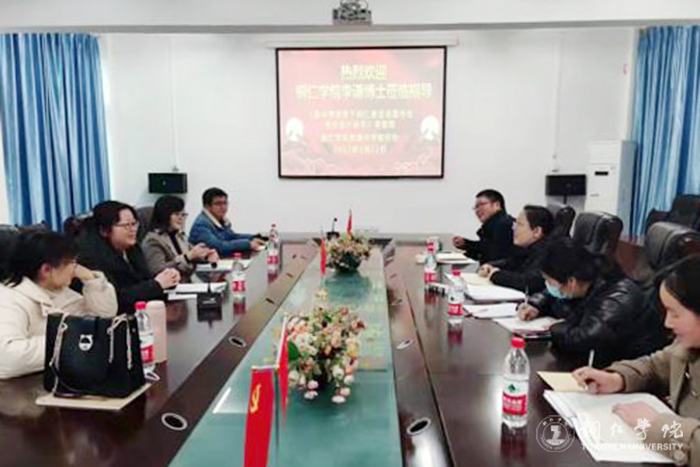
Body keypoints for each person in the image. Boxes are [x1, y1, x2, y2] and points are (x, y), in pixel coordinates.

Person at [573, 256, 700, 466]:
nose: (667, 323)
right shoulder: (688, 344)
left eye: (675, 314)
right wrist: (617, 379)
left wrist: (654, 425)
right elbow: (655, 365)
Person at [517, 238, 665, 367]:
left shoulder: (617, 295)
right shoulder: (586, 280)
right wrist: (536, 305)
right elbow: (552, 294)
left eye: (549, 281)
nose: (548, 286)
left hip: (629, 370)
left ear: (571, 282)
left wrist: (555, 328)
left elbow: (585, 338)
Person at [0, 231, 118, 379]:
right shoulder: (9, 298)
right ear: (46, 270)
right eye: (72, 262)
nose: (75, 268)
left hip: (57, 375)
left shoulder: (57, 290)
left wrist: (91, 280)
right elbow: (8, 358)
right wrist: (72, 339)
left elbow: (104, 318)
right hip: (18, 387)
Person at [77, 201, 181, 312]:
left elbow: (144, 280)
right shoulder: (92, 258)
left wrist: (167, 280)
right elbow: (117, 297)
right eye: (126, 225)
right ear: (104, 231)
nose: (133, 229)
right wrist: (156, 285)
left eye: (134, 224)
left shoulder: (132, 249)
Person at [477, 205, 554, 293]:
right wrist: (490, 266)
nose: (513, 228)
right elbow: (511, 262)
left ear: (536, 231)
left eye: (519, 224)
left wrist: (496, 275)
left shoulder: (548, 253)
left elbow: (529, 282)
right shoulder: (527, 250)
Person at [142, 195, 219, 275]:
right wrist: (187, 257)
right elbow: (157, 270)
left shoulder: (179, 235)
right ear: (165, 215)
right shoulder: (153, 240)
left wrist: (206, 256)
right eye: (176, 214)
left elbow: (193, 254)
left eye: (183, 215)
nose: (181, 218)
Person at [189, 187, 266, 256]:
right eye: (218, 204)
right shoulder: (201, 224)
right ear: (207, 206)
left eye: (225, 203)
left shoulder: (220, 219)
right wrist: (247, 244)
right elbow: (218, 247)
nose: (223, 207)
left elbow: (231, 236)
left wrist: (252, 238)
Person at [453, 189, 514, 263]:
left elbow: (492, 254)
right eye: (476, 207)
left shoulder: (505, 225)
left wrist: (468, 245)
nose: (477, 210)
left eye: (481, 205)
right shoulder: (493, 225)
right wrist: (466, 244)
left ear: (497, 205)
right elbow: (485, 248)